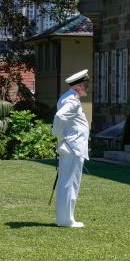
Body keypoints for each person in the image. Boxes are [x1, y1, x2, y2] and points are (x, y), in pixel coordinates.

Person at [52, 69, 90, 228]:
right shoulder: (73, 101)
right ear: (79, 86)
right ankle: (67, 220)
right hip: (73, 147)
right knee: (70, 184)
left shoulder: (66, 97)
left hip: (70, 145)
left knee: (66, 183)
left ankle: (64, 218)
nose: (86, 88)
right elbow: (60, 117)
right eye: (85, 85)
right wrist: (60, 139)